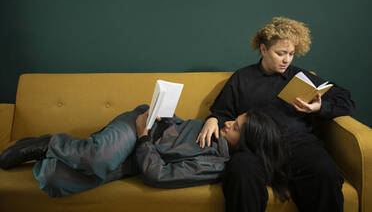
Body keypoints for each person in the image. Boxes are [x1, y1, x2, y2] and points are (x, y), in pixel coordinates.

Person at [196, 17, 355, 212]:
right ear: (263, 50)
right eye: (280, 53)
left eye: (291, 54)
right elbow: (222, 111)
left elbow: (345, 100)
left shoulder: (300, 77)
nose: (287, 60)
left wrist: (318, 108)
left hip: (298, 145)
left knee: (325, 172)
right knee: (241, 170)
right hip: (255, 148)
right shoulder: (243, 78)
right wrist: (213, 119)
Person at [0, 104, 289, 200]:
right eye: (233, 120)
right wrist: (144, 128)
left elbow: (158, 175)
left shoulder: (217, 165)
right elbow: (176, 126)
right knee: (99, 158)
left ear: (246, 144)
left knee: (53, 179)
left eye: (235, 127)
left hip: (140, 148)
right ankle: (46, 143)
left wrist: (143, 139)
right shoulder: (216, 126)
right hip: (143, 121)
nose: (227, 123)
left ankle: (52, 157)